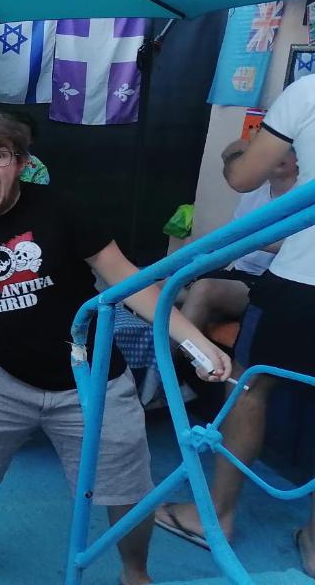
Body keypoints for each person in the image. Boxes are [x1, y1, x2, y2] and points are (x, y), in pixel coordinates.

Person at [0, 110, 230, 585]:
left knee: (129, 488)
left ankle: (135, 573)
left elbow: (126, 280)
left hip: (91, 375)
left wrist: (192, 337)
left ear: (21, 163)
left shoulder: (62, 208)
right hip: (1, 374)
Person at [156, 78, 315, 577]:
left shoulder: (307, 92)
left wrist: (234, 157)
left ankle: (217, 518)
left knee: (249, 389)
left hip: (303, 279)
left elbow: (244, 176)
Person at [178, 143, 297, 337]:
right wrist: (197, 264)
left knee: (203, 288)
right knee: (164, 285)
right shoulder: (252, 196)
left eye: (289, 149)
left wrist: (253, 240)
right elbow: (231, 245)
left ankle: (160, 366)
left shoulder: (306, 199)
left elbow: (298, 249)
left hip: (269, 284)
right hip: (238, 274)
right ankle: (150, 356)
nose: (279, 155)